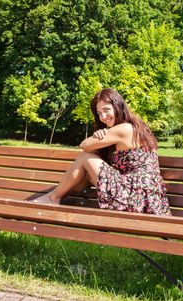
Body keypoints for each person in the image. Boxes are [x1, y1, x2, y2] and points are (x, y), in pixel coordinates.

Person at [34, 88, 170, 215]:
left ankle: (53, 197)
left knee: (84, 157)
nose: (103, 117)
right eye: (99, 113)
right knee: (86, 176)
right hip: (147, 200)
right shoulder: (137, 126)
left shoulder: (125, 128)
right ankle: (55, 197)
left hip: (134, 197)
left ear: (118, 106)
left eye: (106, 110)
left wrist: (96, 137)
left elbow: (85, 146)